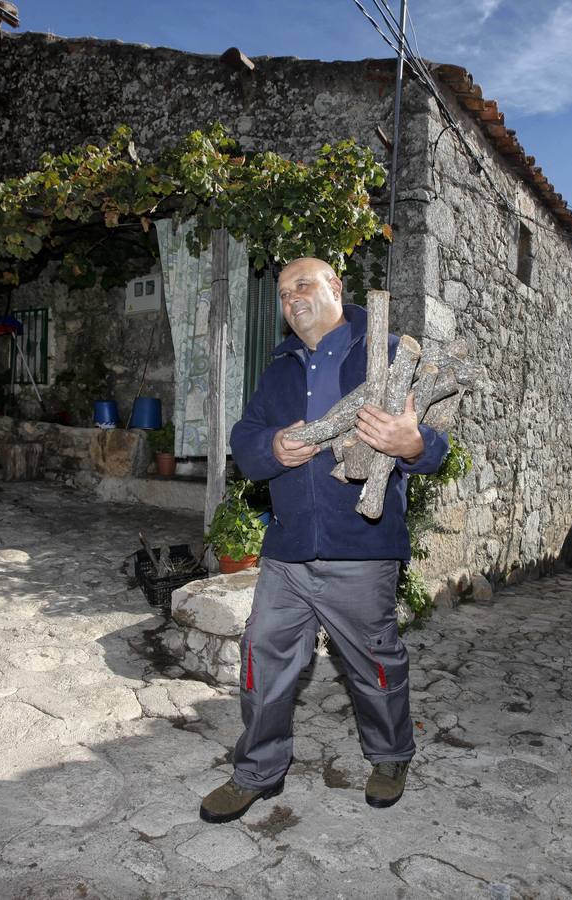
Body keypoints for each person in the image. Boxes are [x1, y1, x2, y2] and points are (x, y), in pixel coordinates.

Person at [199, 257, 449, 823]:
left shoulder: (383, 353)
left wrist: (412, 444)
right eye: (284, 293)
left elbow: (437, 449)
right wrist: (272, 449)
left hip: (361, 546)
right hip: (286, 551)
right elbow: (245, 438)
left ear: (337, 288)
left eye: (303, 285)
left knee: (374, 665)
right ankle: (258, 772)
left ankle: (389, 757)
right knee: (262, 662)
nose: (292, 299)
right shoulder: (280, 368)